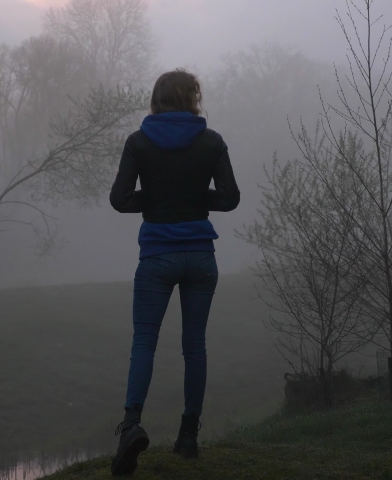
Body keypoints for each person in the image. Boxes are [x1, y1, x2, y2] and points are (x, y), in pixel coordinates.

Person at [108, 69, 240, 476]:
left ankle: (131, 426)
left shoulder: (138, 141)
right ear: (193, 99)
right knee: (194, 345)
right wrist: (192, 198)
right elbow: (231, 198)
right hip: (200, 257)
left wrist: (159, 202)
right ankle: (188, 437)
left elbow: (120, 199)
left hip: (158, 258)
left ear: (156, 99)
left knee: (144, 342)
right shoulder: (212, 141)